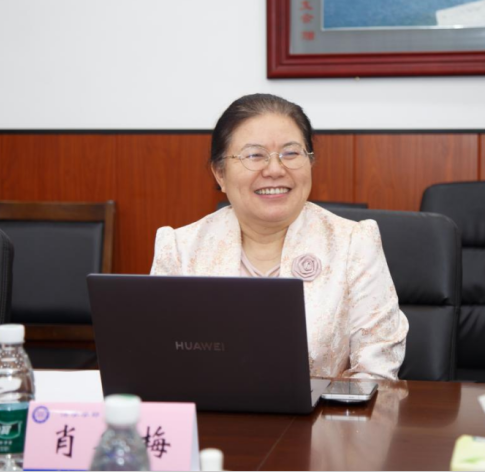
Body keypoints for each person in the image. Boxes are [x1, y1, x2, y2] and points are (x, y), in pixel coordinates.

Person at [151, 94, 408, 380]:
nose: (275, 170)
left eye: (291, 153)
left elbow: (377, 371)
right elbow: (159, 362)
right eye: (254, 155)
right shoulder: (180, 249)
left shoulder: (354, 243)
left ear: (310, 163)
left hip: (324, 410)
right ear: (220, 173)